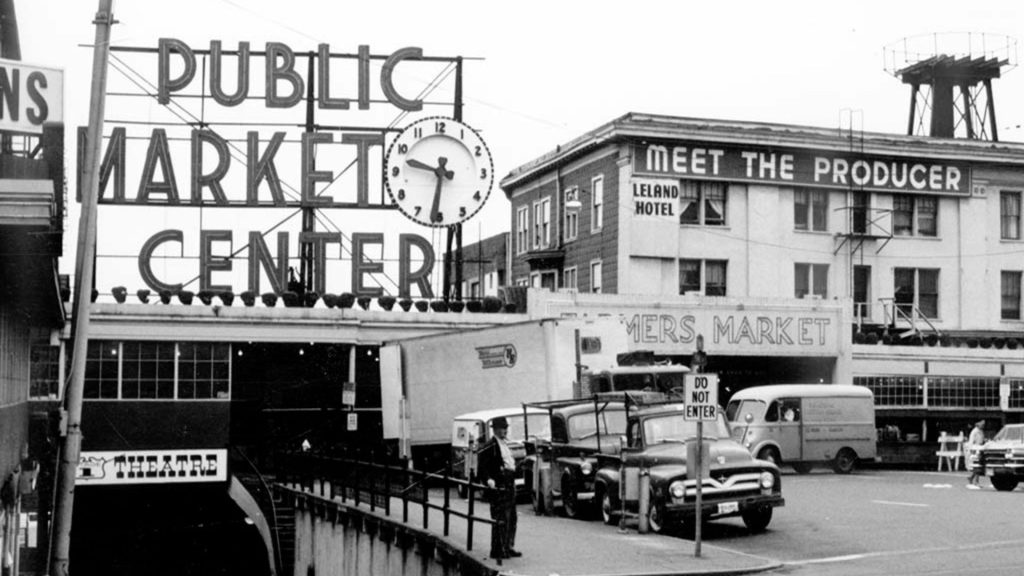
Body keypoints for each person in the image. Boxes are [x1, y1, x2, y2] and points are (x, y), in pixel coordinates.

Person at [477, 416, 520, 560]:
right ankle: (498, 549)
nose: (505, 431)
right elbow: (482, 467)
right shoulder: (490, 445)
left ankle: (508, 546)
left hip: (508, 482)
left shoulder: (504, 444)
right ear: (495, 429)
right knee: (501, 518)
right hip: (499, 485)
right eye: (502, 428)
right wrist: (488, 479)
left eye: (506, 428)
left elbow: (509, 462)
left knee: (512, 517)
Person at [966, 419, 986, 489]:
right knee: (977, 466)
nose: (983, 426)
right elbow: (971, 442)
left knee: (979, 466)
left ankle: (972, 478)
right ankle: (975, 481)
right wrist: (971, 450)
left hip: (980, 448)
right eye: (982, 424)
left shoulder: (981, 431)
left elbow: (982, 440)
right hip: (975, 449)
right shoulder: (974, 432)